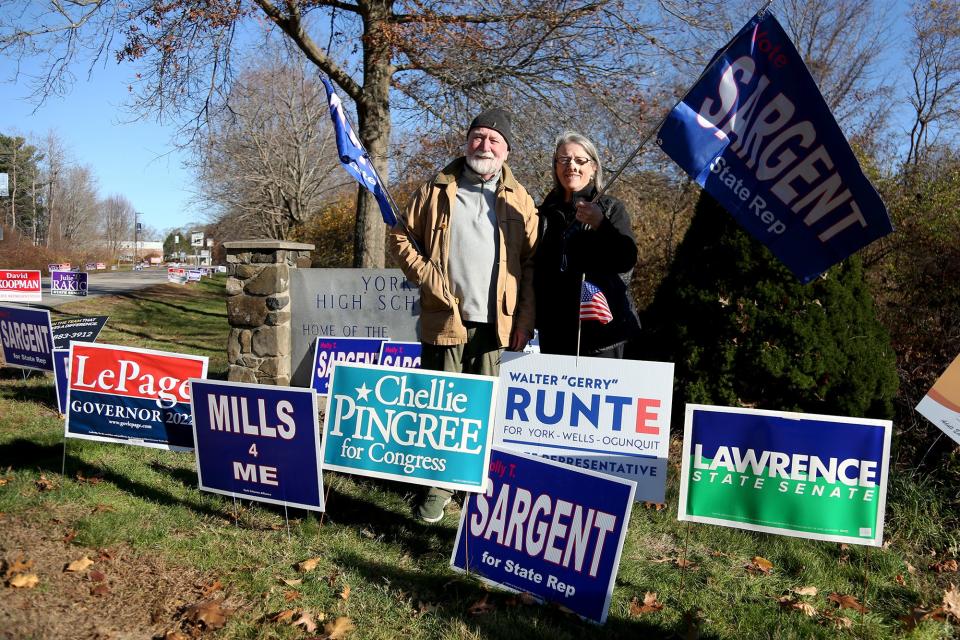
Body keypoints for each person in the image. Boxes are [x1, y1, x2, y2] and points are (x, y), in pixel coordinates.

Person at [388, 108, 539, 522]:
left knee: (482, 414)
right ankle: (435, 491)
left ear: (506, 151)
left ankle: (477, 492)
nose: (484, 146)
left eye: (494, 140)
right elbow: (400, 237)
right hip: (443, 319)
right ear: (467, 140)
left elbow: (529, 267)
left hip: (496, 326)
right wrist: (428, 278)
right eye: (478, 137)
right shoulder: (436, 189)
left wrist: (524, 321)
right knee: (439, 413)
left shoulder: (521, 199)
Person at [533, 131, 640, 358]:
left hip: (603, 336)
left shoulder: (611, 209)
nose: (571, 166)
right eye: (564, 160)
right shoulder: (541, 214)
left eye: (580, 160)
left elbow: (626, 259)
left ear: (593, 168)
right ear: (555, 167)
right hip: (554, 333)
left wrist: (601, 223)